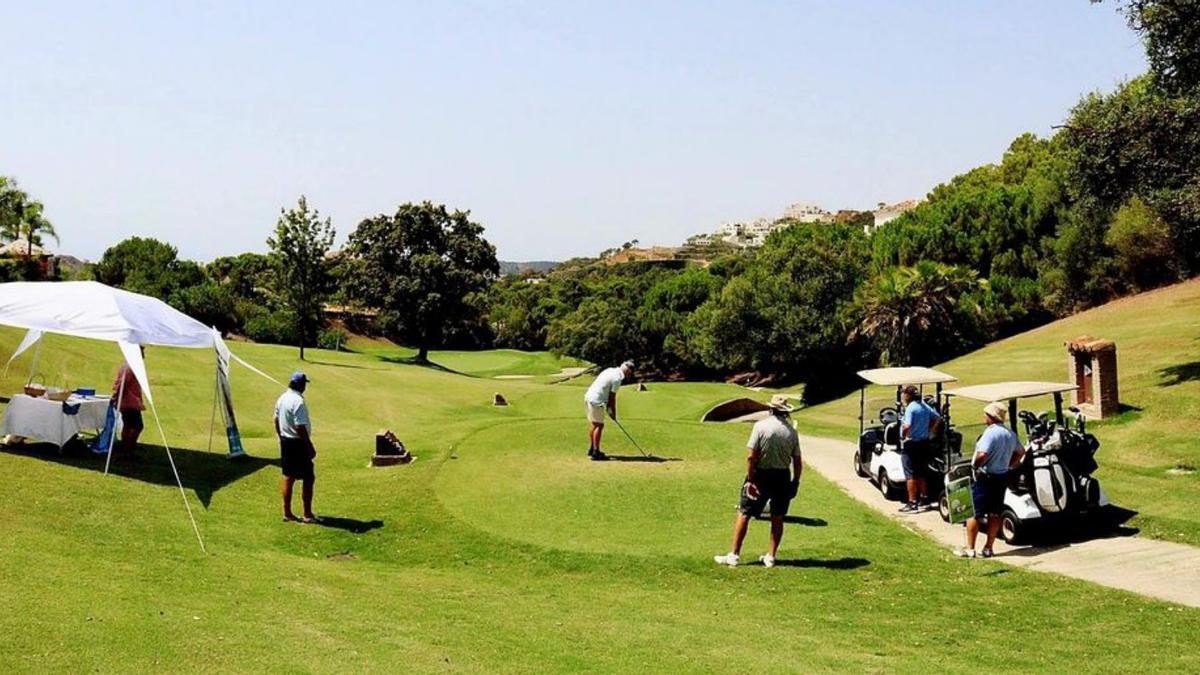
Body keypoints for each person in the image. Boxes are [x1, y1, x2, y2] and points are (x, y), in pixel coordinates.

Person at [714, 395, 803, 568]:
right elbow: (797, 461)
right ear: (785, 412)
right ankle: (771, 556)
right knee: (777, 517)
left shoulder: (760, 427)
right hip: (782, 476)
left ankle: (734, 555)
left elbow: (751, 457)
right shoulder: (791, 432)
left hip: (761, 475)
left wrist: (751, 480)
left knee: (744, 512)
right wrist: (795, 482)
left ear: (771, 409)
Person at [956, 402, 1025, 559]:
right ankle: (988, 548)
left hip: (986, 477)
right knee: (995, 513)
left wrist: (975, 466)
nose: (984, 417)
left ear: (991, 417)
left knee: (974, 513)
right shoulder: (1010, 434)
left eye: (986, 414)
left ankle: (970, 548)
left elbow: (981, 455)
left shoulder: (990, 433)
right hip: (1001, 477)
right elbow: (1020, 452)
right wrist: (1009, 464)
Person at [275, 371, 317, 523]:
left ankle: (287, 512)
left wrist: (281, 436)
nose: (305, 386)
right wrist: (309, 446)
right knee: (308, 477)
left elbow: (275, 420)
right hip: (298, 443)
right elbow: (300, 427)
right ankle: (307, 514)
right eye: (304, 383)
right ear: (300, 384)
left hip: (286, 441)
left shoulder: (282, 398)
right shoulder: (298, 401)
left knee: (288, 476)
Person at [898, 385, 942, 514]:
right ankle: (924, 499)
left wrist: (903, 436)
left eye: (904, 394)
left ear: (907, 395)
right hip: (924, 443)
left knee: (910, 474)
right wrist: (929, 429)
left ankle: (912, 503)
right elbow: (937, 418)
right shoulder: (924, 405)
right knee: (920, 472)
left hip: (911, 443)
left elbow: (907, 426)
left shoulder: (910, 408)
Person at [584, 360, 634, 461]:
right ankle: (596, 453)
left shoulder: (610, 370)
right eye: (630, 372)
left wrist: (608, 408)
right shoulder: (618, 378)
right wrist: (613, 412)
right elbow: (612, 397)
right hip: (596, 400)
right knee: (599, 425)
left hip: (589, 396)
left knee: (594, 424)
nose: (629, 375)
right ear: (627, 371)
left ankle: (592, 449)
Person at [111, 346, 146, 459]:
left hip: (129, 401)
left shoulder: (130, 366)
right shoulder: (130, 367)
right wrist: (116, 397)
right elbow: (122, 384)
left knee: (129, 425)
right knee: (137, 426)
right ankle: (128, 450)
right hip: (129, 402)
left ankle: (127, 450)